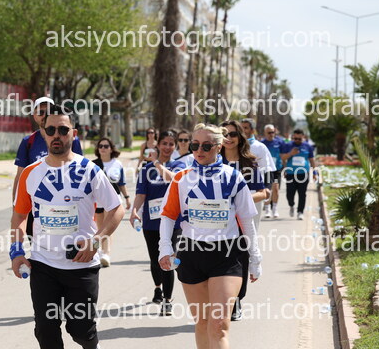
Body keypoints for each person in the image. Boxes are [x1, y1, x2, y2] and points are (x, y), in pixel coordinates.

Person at [10, 104, 125, 349]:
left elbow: (117, 208)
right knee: (46, 331)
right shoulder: (30, 173)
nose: (57, 135)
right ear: (43, 133)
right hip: (43, 264)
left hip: (81, 264)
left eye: (63, 130)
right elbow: (19, 215)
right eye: (50, 129)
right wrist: (16, 251)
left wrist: (96, 241)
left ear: (73, 133)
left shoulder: (90, 170)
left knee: (82, 331)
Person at [158, 123, 262, 349]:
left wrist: (255, 257)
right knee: (203, 321)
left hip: (227, 254)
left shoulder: (233, 177)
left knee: (219, 325)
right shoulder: (181, 178)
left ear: (219, 147)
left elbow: (246, 220)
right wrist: (165, 248)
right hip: (191, 253)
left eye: (206, 146)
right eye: (195, 145)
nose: (199, 150)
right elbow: (167, 216)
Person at [129, 130, 185, 316]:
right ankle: (157, 288)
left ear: (175, 146)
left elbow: (173, 179)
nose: (167, 147)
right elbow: (141, 194)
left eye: (171, 144)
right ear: (158, 145)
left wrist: (157, 163)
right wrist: (134, 211)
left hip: (173, 221)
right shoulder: (146, 169)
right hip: (151, 221)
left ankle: (167, 300)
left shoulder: (179, 165)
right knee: (155, 259)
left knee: (168, 258)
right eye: (164, 143)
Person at [12, 97, 83, 239]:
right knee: (37, 242)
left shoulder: (70, 139)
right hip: (37, 202)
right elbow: (20, 175)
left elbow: (79, 168)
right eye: (40, 112)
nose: (44, 115)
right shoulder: (28, 141)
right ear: (34, 116)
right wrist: (15, 207)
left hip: (66, 201)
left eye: (48, 111)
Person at [220, 120, 269, 321]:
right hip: (217, 222)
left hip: (242, 221)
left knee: (240, 259)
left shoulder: (249, 163)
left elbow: (263, 193)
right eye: (224, 134)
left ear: (240, 137)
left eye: (233, 134)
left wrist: (239, 199)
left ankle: (237, 300)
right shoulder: (214, 162)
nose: (228, 138)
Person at [93, 137, 131, 267]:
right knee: (100, 228)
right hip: (98, 200)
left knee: (107, 227)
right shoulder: (93, 164)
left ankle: (106, 253)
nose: (103, 148)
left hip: (113, 200)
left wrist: (127, 198)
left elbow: (121, 183)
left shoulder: (117, 164)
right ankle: (99, 251)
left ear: (111, 149)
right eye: (100, 146)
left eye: (106, 146)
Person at [280, 129, 316, 220]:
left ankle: (300, 212)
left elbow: (312, 160)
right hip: (291, 174)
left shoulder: (308, 146)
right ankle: (291, 205)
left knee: (302, 193)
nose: (297, 140)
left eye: (299, 139)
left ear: (303, 137)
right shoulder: (288, 145)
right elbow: (283, 158)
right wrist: (291, 153)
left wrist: (314, 172)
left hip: (303, 174)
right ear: (293, 137)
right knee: (289, 194)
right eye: (295, 138)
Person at [261, 124, 286, 219]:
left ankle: (274, 208)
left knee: (275, 188)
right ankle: (267, 209)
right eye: (269, 132)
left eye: (272, 132)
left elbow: (283, 156)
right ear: (265, 133)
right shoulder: (262, 144)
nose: (271, 134)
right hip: (267, 169)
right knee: (267, 189)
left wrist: (285, 168)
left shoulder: (279, 142)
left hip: (277, 169)